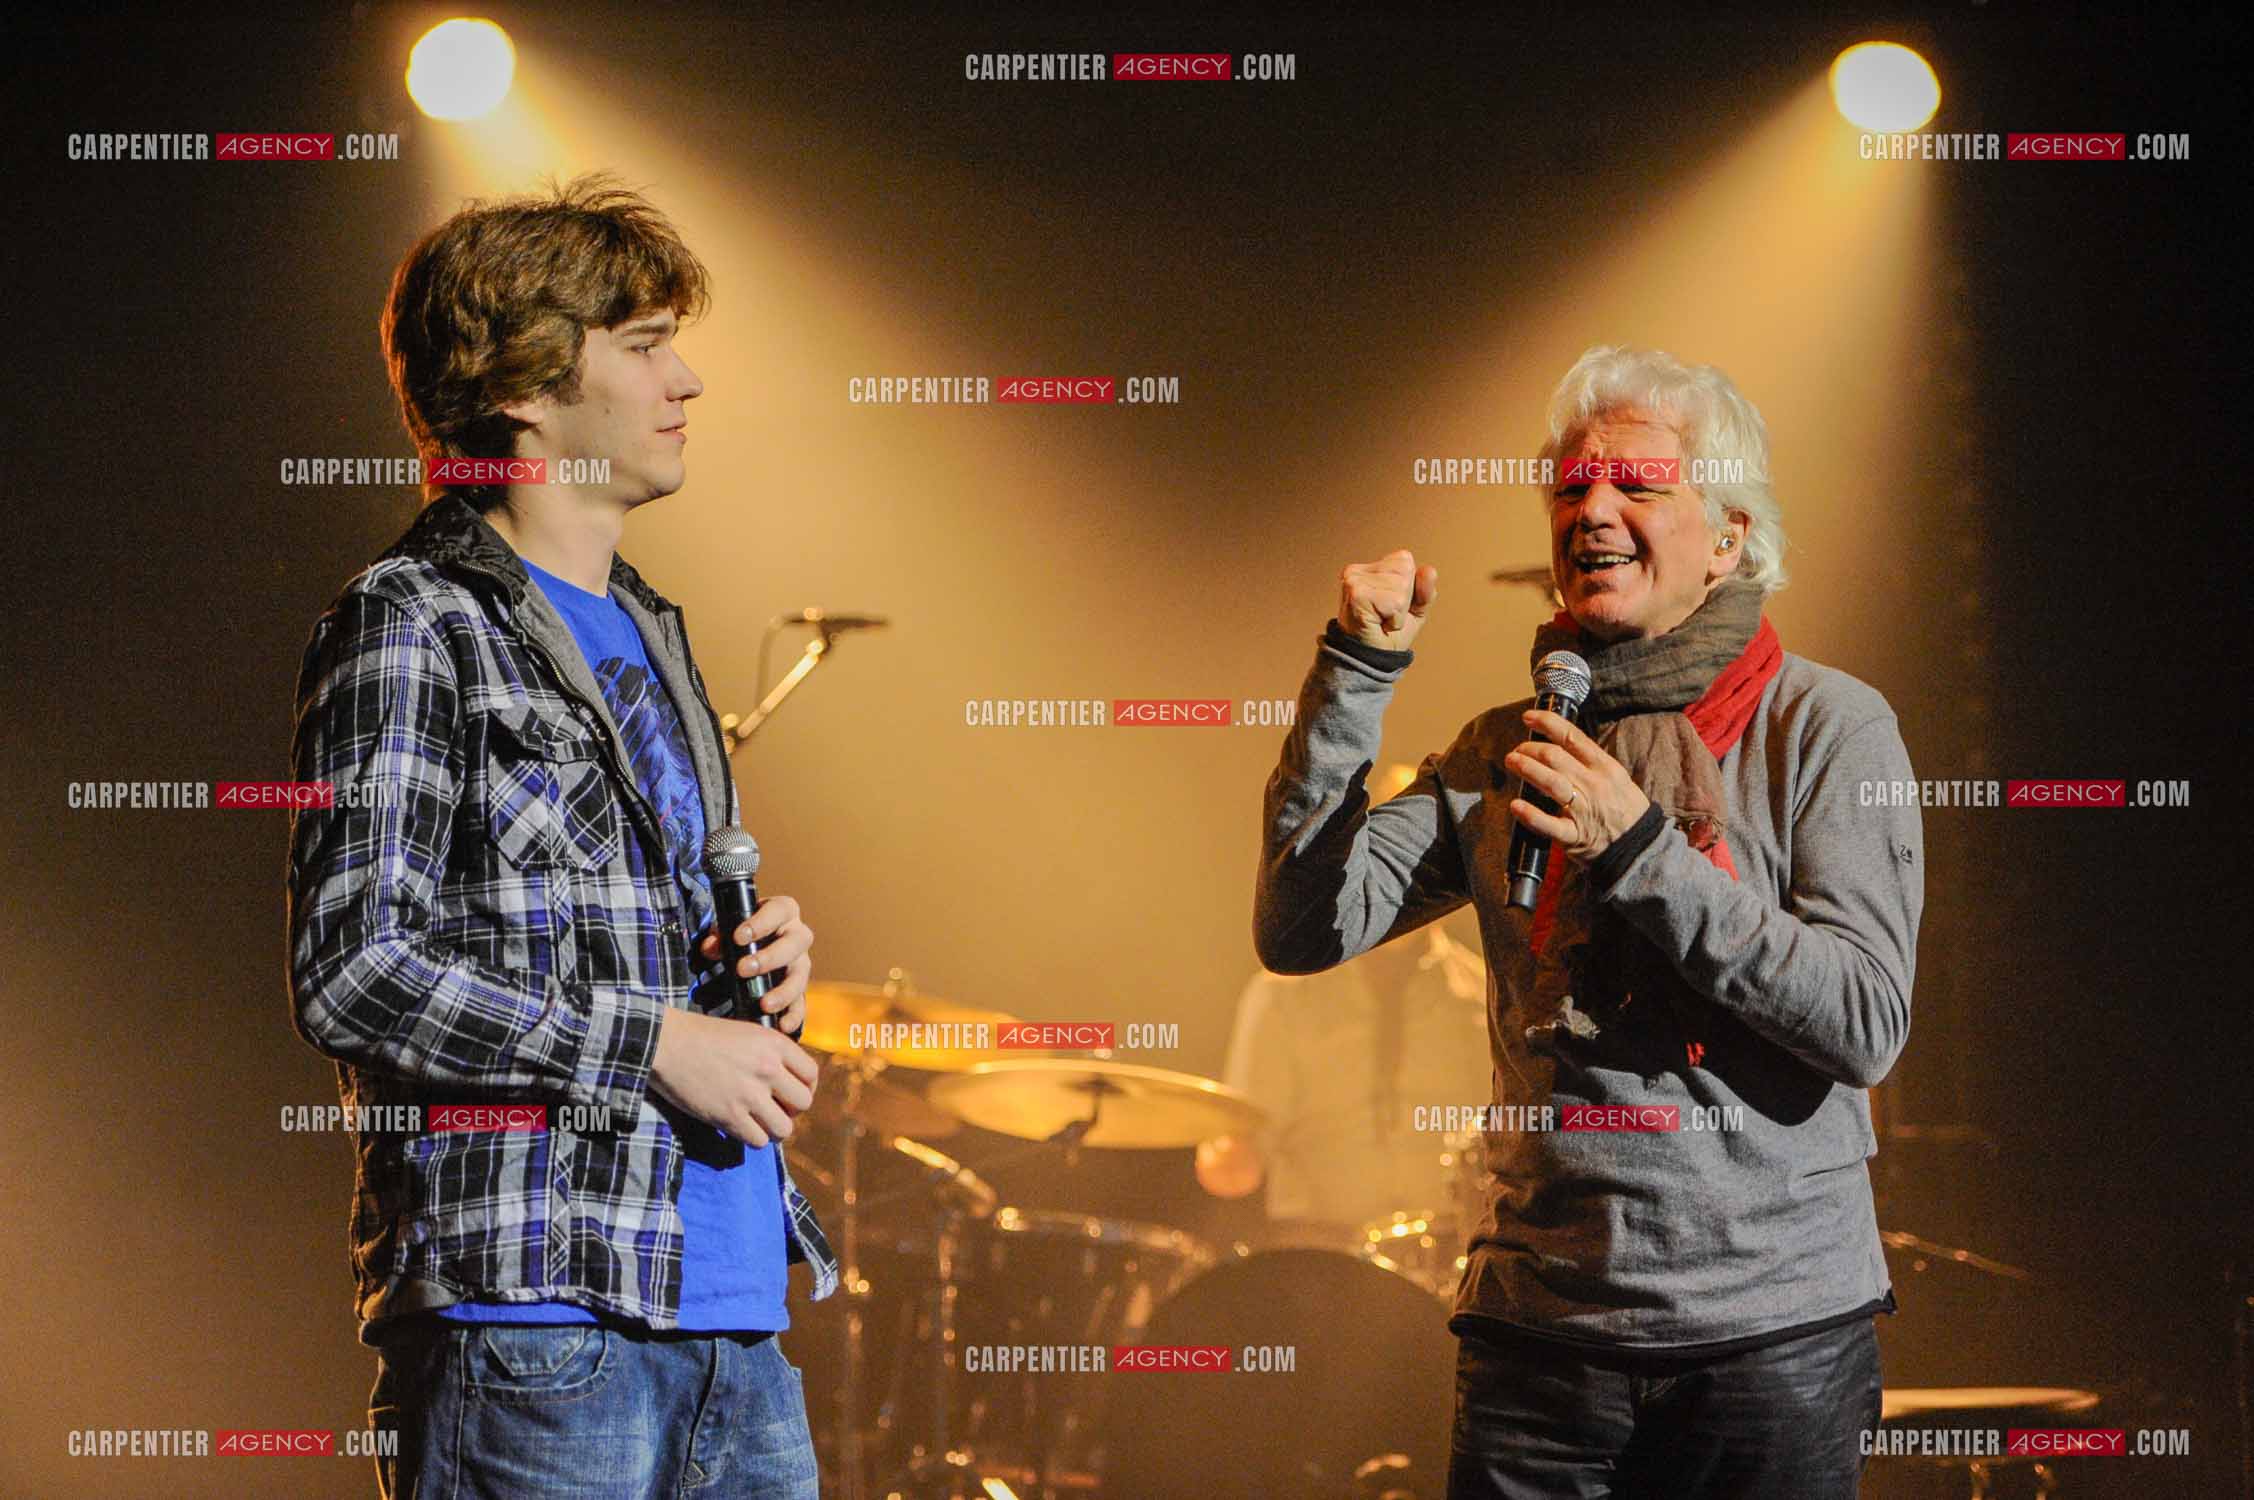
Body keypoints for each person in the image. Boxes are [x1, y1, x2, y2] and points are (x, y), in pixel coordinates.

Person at [1254, 345, 1922, 1499]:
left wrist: (1638, 851)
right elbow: (1304, 929)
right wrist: (1354, 676)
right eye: (1569, 488)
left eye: (1636, 486)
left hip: (1770, 1344)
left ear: (1728, 536)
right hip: (1541, 1339)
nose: (1591, 511)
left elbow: (1862, 1020)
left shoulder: (1826, 728)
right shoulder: (1504, 745)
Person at [287, 174, 834, 1500]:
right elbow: (351, 966)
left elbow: (616, 943)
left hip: (732, 1316)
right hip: (537, 1315)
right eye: (645, 346)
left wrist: (757, 973)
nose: (688, 378)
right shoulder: (412, 619)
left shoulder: (655, 630)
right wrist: (653, 1041)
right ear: (525, 383)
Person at [1197, 879, 1490, 1255]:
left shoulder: (1485, 995)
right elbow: (1244, 1149)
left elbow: (1503, 1144)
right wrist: (1228, 1158)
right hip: (1316, 1257)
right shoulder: (1283, 994)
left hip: (1444, 1254)